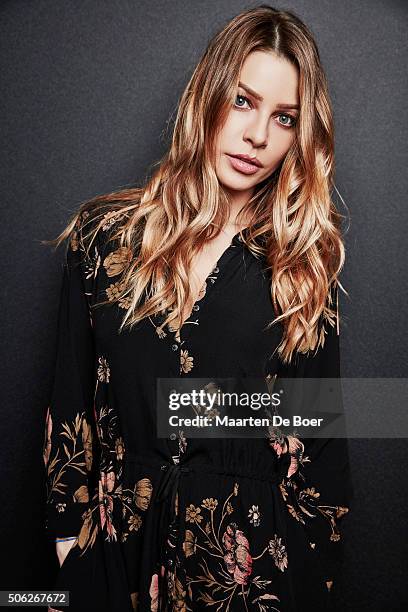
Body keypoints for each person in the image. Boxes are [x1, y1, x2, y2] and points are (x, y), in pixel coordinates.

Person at [43, 5, 353, 611]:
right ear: (206, 98)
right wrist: (69, 556)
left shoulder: (301, 269)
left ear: (300, 134)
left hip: (249, 580)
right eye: (242, 101)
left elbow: (323, 463)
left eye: (284, 118)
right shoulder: (103, 238)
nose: (259, 136)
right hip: (114, 558)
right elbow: (68, 413)